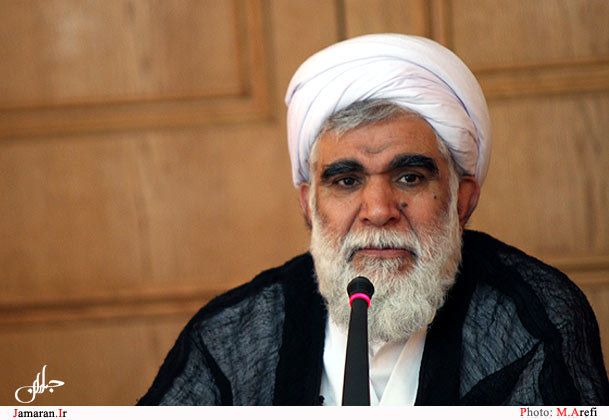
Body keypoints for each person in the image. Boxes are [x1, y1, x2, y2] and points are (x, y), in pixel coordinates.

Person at [138, 34, 609, 405]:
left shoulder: (531, 320)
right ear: (309, 204)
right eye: (346, 181)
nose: (380, 210)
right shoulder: (233, 335)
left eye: (409, 178)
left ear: (462, 199)